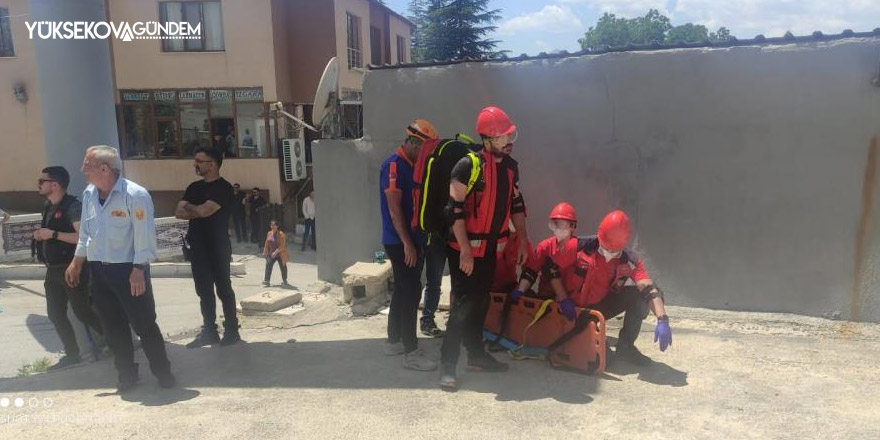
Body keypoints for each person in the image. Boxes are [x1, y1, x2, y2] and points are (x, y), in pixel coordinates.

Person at [65, 145, 175, 392]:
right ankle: (127, 374)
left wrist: (138, 268)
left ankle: (163, 372)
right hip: (100, 271)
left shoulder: (135, 195)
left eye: (87, 165)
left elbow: (144, 236)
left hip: (129, 271)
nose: (82, 169)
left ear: (104, 168)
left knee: (144, 324)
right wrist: (77, 260)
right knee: (114, 328)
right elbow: (86, 232)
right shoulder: (90, 193)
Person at [440, 106, 530, 390]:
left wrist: (524, 240)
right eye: (504, 135)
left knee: (481, 302)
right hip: (464, 251)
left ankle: (476, 356)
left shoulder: (511, 168)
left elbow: (517, 205)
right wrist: (465, 249)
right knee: (463, 307)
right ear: (488, 138)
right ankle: (447, 364)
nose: (510, 139)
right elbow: (453, 211)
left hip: (491, 250)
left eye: (511, 134)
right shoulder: (466, 166)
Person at [568, 210, 672, 365]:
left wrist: (662, 320)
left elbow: (648, 288)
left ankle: (625, 346)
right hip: (570, 308)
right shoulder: (578, 246)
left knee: (639, 295)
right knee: (601, 361)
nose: (608, 253)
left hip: (599, 309)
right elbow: (551, 265)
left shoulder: (629, 260)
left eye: (613, 250)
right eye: (605, 247)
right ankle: (586, 333)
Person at [380, 119, 439, 371]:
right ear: (415, 143)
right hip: (400, 242)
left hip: (409, 241)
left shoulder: (411, 166)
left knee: (404, 290)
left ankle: (395, 341)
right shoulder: (394, 166)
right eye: (426, 149)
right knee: (412, 290)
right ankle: (411, 352)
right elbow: (394, 210)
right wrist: (408, 244)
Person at [33, 166, 105, 370]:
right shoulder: (48, 206)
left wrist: (52, 235)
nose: (38, 184)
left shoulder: (73, 206)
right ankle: (72, 353)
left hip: (73, 266)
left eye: (41, 181)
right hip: (53, 269)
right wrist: (41, 235)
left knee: (82, 311)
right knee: (55, 313)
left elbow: (84, 237)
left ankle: (114, 339)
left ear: (54, 184)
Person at [175, 146, 240, 348]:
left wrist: (192, 208)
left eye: (199, 161)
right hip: (197, 247)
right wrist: (198, 209)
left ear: (212, 164)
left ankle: (231, 330)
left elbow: (203, 211)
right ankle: (209, 332)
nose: (195, 164)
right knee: (203, 291)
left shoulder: (224, 188)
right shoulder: (194, 187)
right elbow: (179, 212)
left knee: (223, 289)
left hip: (218, 247)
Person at [510, 202, 580, 302]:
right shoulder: (545, 247)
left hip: (571, 301)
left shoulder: (578, 249)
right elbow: (531, 271)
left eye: (561, 224)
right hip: (546, 299)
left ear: (572, 226)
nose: (557, 228)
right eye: (554, 224)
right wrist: (520, 290)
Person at [262, 220, 290, 287]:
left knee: (283, 266)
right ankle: (267, 281)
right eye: (271, 225)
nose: (272, 226)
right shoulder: (269, 233)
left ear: (277, 226)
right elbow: (266, 243)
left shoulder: (281, 234)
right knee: (268, 264)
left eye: (274, 225)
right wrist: (265, 251)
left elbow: (282, 245)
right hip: (271, 253)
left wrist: (276, 252)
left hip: (280, 253)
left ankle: (284, 280)